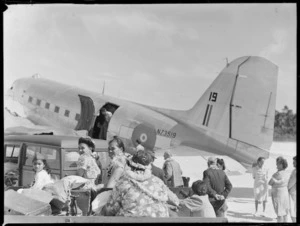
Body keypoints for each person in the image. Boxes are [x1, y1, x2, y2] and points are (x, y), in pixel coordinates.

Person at [102, 149, 179, 217]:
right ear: (149, 165)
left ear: (130, 165)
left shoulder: (124, 182)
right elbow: (175, 200)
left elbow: (110, 210)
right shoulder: (158, 181)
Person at [268, 156, 290, 223]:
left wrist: (275, 182)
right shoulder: (287, 173)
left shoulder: (277, 174)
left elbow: (269, 183)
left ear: (281, 165)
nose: (276, 165)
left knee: (279, 213)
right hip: (285, 193)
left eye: (277, 163)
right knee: (285, 213)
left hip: (278, 194)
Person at [288, 156, 296, 222]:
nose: (293, 163)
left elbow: (291, 182)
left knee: (293, 210)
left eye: (294, 162)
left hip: (293, 192)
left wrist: (286, 188)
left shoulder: (295, 171)